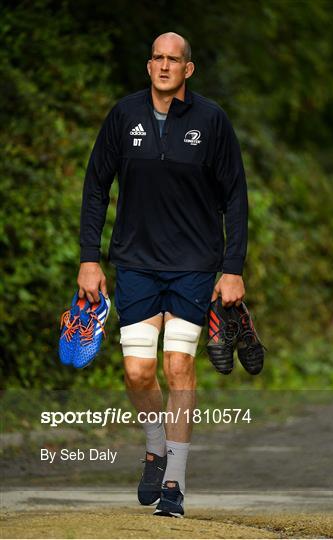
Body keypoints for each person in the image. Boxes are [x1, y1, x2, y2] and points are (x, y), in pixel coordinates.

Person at [77, 31, 248, 517]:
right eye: (158, 58)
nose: (165, 66)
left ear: (188, 69)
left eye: (174, 59)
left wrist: (231, 268)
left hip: (194, 265)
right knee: (138, 370)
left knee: (178, 367)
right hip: (135, 262)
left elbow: (235, 196)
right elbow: (95, 186)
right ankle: (155, 446)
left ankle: (174, 482)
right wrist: (90, 258)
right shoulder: (123, 115)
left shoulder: (212, 121)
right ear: (149, 65)